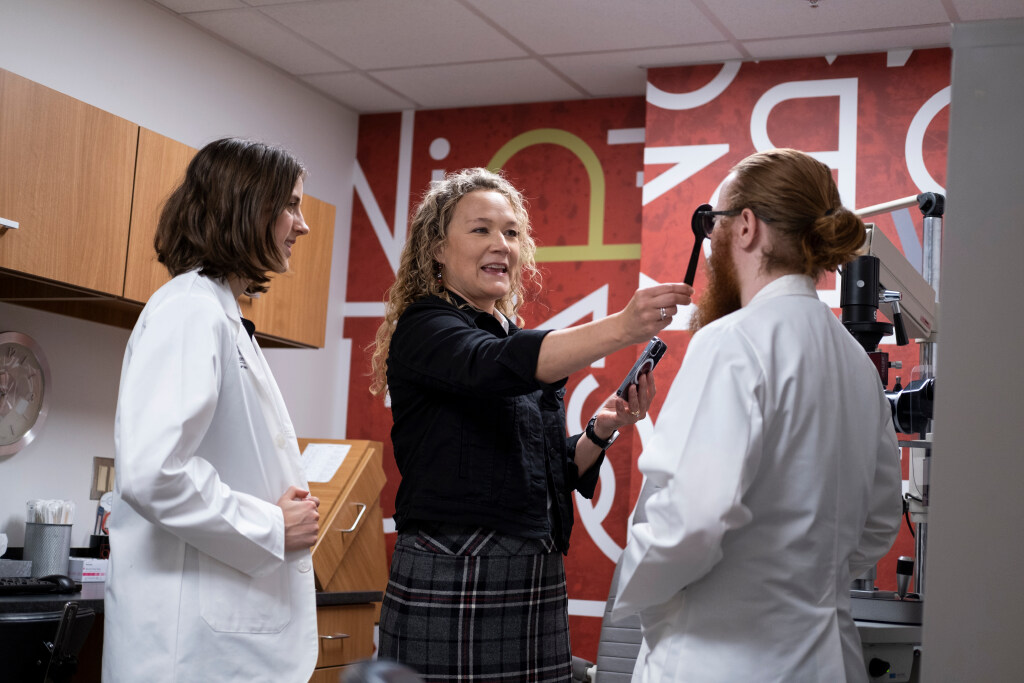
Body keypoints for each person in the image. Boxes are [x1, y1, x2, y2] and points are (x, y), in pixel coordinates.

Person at [369, 167, 692, 681]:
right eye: (480, 230)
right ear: (436, 248)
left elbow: (544, 471)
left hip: (531, 564)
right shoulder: (425, 326)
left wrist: (601, 429)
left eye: (512, 232)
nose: (501, 244)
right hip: (458, 567)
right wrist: (624, 326)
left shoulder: (509, 335)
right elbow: (494, 364)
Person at [611, 148, 903, 682]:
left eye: (712, 224)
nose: (709, 246)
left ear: (745, 227)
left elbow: (691, 521)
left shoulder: (731, 342)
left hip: (720, 660)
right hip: (827, 661)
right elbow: (881, 521)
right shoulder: (856, 362)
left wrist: (642, 593)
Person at [104, 137, 321, 682]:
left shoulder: (217, 312)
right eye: (291, 205)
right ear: (246, 207)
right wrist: (271, 525)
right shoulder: (190, 310)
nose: (302, 224)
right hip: (190, 650)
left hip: (220, 635)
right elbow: (155, 473)